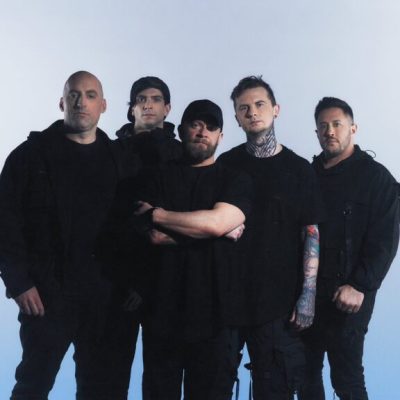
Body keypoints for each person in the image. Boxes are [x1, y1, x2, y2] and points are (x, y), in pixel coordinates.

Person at [0, 71, 128, 399]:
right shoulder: (29, 156)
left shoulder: (120, 159)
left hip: (104, 297)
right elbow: (5, 221)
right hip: (46, 295)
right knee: (33, 384)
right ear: (62, 103)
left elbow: (133, 227)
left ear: (103, 105)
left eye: (90, 95)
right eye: (74, 94)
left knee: (101, 389)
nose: (81, 102)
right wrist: (19, 283)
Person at [132, 99, 253, 399]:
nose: (203, 132)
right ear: (182, 130)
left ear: (220, 137)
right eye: (196, 125)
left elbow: (215, 224)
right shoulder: (155, 176)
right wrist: (216, 233)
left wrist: (158, 214)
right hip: (162, 314)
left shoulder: (235, 179)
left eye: (211, 127)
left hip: (217, 317)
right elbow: (155, 236)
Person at [218, 76, 324, 399]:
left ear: (276, 109)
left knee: (275, 389)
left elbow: (311, 232)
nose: (252, 112)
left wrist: (308, 295)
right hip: (227, 300)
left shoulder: (299, 169)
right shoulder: (226, 165)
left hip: (278, 303)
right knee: (213, 386)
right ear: (237, 118)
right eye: (244, 108)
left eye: (259, 104)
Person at [298, 97, 400, 400]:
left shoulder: (377, 178)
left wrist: (360, 285)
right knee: (304, 375)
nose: (329, 131)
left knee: (347, 378)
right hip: (307, 294)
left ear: (353, 128)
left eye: (337, 124)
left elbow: (385, 239)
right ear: (316, 132)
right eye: (323, 126)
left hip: (348, 295)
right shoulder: (308, 175)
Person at [94, 76, 182, 395]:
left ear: (167, 108)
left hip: (165, 280)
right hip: (116, 278)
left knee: (163, 376)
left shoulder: (182, 153)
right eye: (141, 99)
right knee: (109, 374)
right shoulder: (110, 151)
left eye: (155, 99)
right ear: (131, 108)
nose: (147, 104)